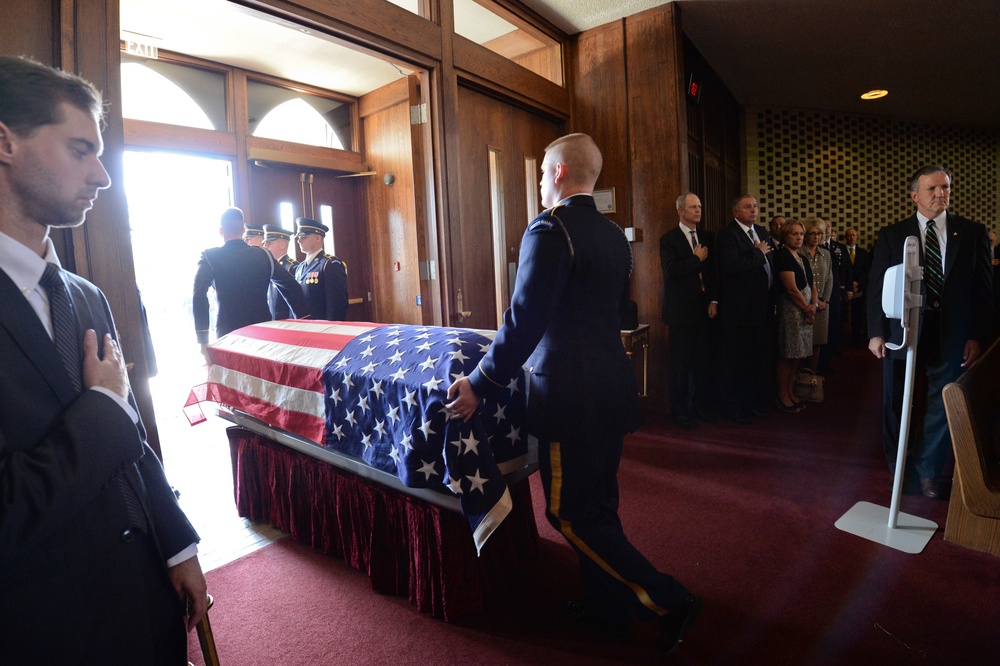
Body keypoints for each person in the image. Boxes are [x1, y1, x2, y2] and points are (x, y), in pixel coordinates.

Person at [446, 133, 700, 656]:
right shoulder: (613, 235)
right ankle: (607, 610)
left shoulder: (549, 229)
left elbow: (524, 322)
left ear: (559, 173)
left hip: (570, 396)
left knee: (570, 515)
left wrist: (479, 384)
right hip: (611, 386)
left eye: (542, 171)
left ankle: (668, 600)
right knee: (599, 505)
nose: (539, 180)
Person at [0, 54, 206, 664]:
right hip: (47, 623)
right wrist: (98, 409)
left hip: (145, 599)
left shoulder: (86, 295)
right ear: (5, 143)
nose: (103, 176)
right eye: (80, 149)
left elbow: (134, 439)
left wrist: (176, 545)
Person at [868, 165, 992, 499]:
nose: (941, 194)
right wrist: (876, 332)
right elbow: (877, 287)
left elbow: (983, 289)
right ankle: (898, 469)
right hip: (902, 330)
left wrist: (976, 335)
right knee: (896, 401)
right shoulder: (892, 235)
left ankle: (927, 470)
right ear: (915, 196)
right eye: (933, 189)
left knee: (941, 406)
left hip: (951, 335)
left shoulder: (972, 233)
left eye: (946, 188)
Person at [193, 207, 308, 358]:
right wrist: (304, 320)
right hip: (262, 331)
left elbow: (198, 294)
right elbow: (291, 287)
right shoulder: (264, 255)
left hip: (228, 333)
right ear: (243, 230)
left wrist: (203, 339)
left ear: (220, 231)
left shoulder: (210, 257)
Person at [660, 192, 718, 428]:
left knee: (703, 362)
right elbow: (671, 271)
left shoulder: (707, 237)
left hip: (704, 310)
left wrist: (714, 299)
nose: (698, 211)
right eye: (693, 207)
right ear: (681, 211)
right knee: (681, 366)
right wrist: (695, 259)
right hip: (680, 312)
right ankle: (679, 411)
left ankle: (700, 407)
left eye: (700, 206)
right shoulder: (669, 239)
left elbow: (713, 272)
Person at [716, 194, 773, 424]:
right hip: (738, 311)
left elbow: (771, 265)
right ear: (735, 212)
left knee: (755, 360)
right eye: (747, 207)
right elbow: (732, 267)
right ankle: (732, 408)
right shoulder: (727, 235)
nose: (753, 210)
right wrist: (758, 253)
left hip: (762, 308)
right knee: (735, 362)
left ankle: (751, 404)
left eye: (755, 206)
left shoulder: (761, 231)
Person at [774, 221, 816, 411]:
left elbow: (812, 285)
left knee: (798, 354)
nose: (799, 237)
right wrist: (807, 308)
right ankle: (782, 393)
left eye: (801, 234)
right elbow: (791, 288)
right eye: (794, 234)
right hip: (791, 311)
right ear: (785, 236)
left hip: (805, 312)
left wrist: (813, 306)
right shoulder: (782, 256)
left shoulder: (803, 257)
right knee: (788, 354)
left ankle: (791, 390)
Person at [293, 217, 349, 321]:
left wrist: (332, 328)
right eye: (298, 237)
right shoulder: (299, 268)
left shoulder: (329, 264)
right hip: (303, 326)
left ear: (318, 238)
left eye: (303, 237)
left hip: (322, 327)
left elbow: (337, 304)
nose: (299, 240)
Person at [800, 219, 833, 372]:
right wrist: (812, 302)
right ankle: (799, 380)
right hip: (803, 305)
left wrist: (824, 300)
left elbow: (829, 278)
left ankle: (812, 377)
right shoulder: (798, 252)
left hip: (822, 307)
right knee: (801, 343)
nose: (816, 237)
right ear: (806, 235)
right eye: (812, 233)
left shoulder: (825, 254)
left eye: (819, 233)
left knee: (817, 344)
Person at [819, 217, 851, 372]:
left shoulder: (837, 247)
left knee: (834, 326)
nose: (826, 230)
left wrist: (848, 288)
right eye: (823, 227)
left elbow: (845, 269)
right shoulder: (815, 246)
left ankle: (828, 359)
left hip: (835, 292)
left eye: (828, 227)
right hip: (819, 295)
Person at [262, 223, 300, 320]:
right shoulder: (268, 267)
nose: (265, 246)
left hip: (287, 322)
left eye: (269, 243)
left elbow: (296, 300)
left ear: (282, 245)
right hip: (273, 321)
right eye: (265, 243)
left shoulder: (292, 267)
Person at [843, 227, 871, 346]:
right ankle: (841, 338)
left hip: (859, 288)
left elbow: (867, 270)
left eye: (854, 235)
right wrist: (849, 284)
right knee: (842, 315)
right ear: (845, 237)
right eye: (849, 235)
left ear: (857, 237)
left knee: (858, 314)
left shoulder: (863, 253)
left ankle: (856, 338)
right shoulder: (841, 251)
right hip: (844, 289)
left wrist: (857, 283)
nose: (852, 237)